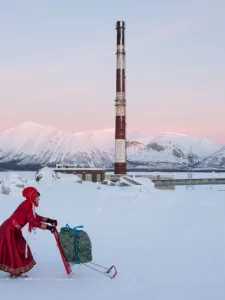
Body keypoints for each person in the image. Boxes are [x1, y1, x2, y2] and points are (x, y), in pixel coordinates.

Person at [0, 186, 57, 278]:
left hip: (14, 230)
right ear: (32, 197)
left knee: (20, 248)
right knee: (12, 251)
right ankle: (15, 272)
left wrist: (49, 220)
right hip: (9, 230)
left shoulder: (28, 204)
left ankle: (15, 271)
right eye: (37, 197)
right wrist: (48, 227)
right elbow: (34, 222)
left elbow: (35, 217)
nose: (39, 198)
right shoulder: (27, 206)